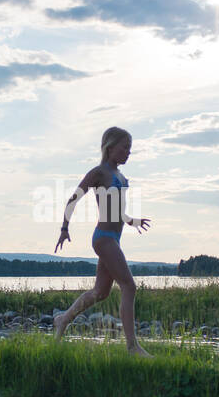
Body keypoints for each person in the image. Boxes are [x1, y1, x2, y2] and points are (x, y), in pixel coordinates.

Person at [53, 126, 153, 357]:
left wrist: (130, 220)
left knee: (101, 292)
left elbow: (117, 210)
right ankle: (132, 347)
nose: (128, 152)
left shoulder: (120, 176)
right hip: (103, 238)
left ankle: (62, 319)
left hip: (114, 238)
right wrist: (64, 228)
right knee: (129, 286)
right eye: (124, 147)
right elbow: (73, 199)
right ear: (110, 147)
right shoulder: (99, 173)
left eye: (130, 148)